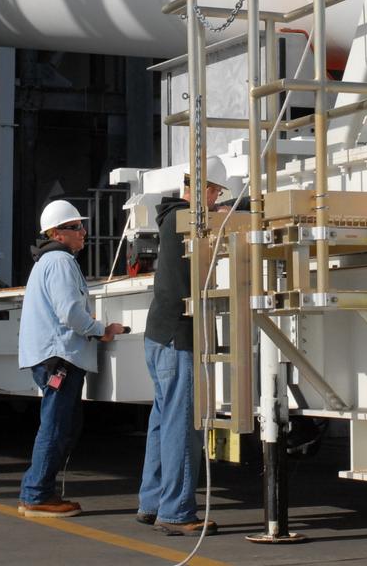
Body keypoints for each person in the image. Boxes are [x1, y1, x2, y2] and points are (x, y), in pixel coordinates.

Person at [137, 158, 231, 537]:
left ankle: (152, 501)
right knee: (182, 425)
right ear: (207, 190)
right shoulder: (188, 222)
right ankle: (176, 512)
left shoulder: (171, 218)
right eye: (217, 193)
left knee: (161, 421)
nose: (216, 200)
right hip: (179, 338)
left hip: (158, 335)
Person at [18, 199, 126, 518]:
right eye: (76, 227)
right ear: (57, 233)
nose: (84, 232)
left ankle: (39, 491)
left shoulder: (47, 263)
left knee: (60, 425)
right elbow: (69, 313)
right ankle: (37, 494)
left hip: (52, 358)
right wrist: (101, 329)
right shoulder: (61, 262)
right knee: (57, 426)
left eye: (81, 226)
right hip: (60, 359)